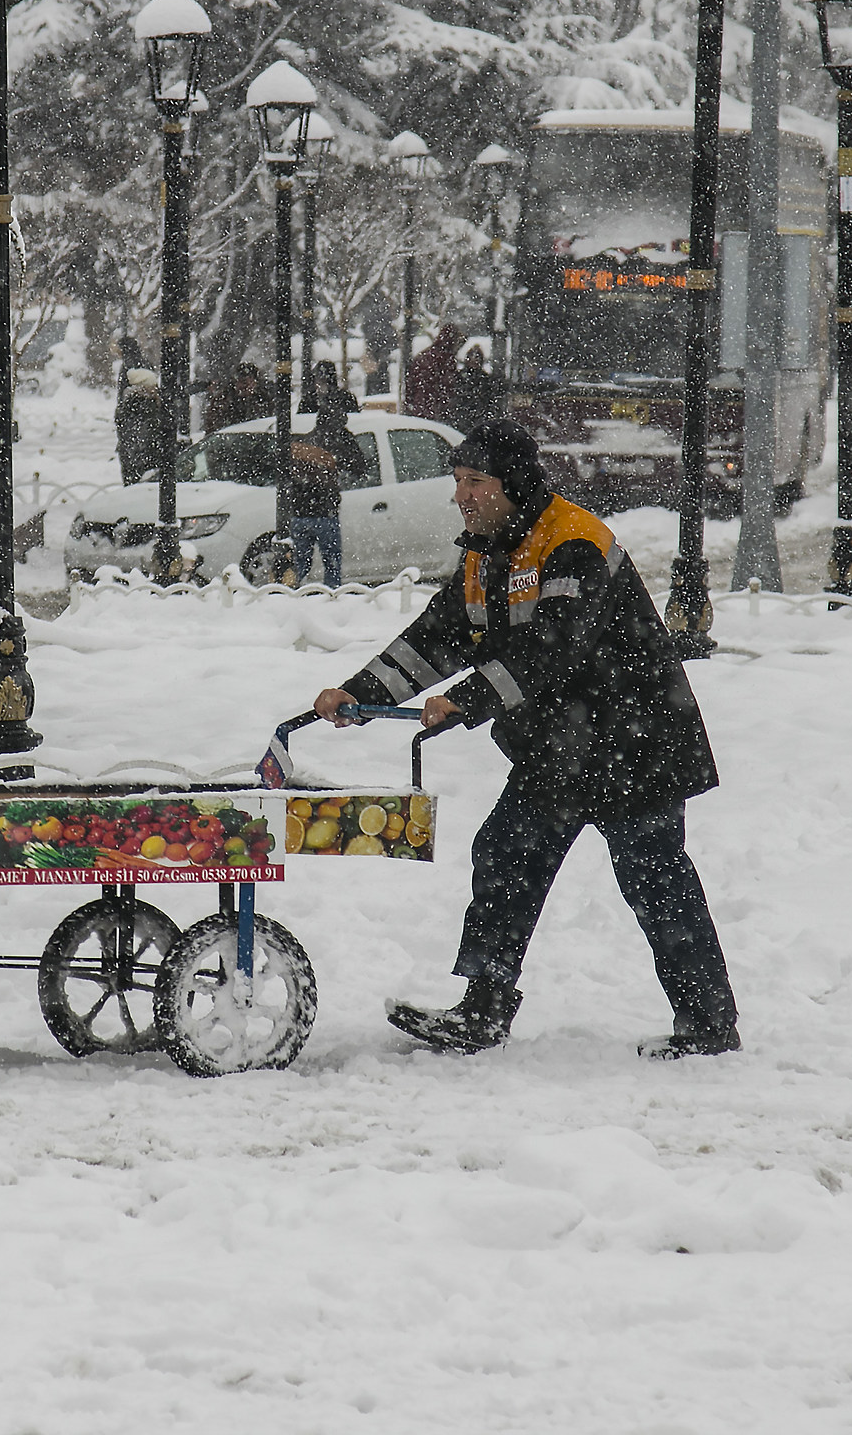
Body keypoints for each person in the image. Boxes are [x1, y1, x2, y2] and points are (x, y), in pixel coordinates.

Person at [310, 419, 736, 1057]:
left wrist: (469, 698)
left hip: (635, 744)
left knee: (656, 882)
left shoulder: (574, 542)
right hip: (559, 749)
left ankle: (708, 1025)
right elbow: (442, 634)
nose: (461, 495)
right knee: (506, 856)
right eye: (458, 481)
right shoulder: (486, 552)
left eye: (474, 481)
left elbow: (553, 647)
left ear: (513, 485)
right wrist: (363, 691)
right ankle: (483, 1010)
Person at [286, 368, 370, 584]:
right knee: (331, 567)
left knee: (299, 565)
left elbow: (287, 470)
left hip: (299, 513)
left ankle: (293, 593)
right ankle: (331, 598)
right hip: (326, 514)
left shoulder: (305, 442)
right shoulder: (342, 441)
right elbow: (360, 468)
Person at [404, 323, 464, 425]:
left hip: (419, 407)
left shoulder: (424, 356)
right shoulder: (446, 359)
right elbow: (447, 386)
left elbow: (410, 383)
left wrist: (411, 403)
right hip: (435, 409)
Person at [116, 367, 167, 484]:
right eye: (153, 386)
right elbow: (142, 438)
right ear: (145, 388)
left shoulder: (130, 406)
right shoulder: (144, 408)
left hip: (136, 463)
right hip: (143, 465)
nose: (156, 390)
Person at [208, 361, 273, 433]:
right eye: (241, 382)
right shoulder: (222, 400)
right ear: (235, 382)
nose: (244, 387)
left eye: (248, 383)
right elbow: (212, 429)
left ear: (255, 383)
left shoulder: (264, 400)